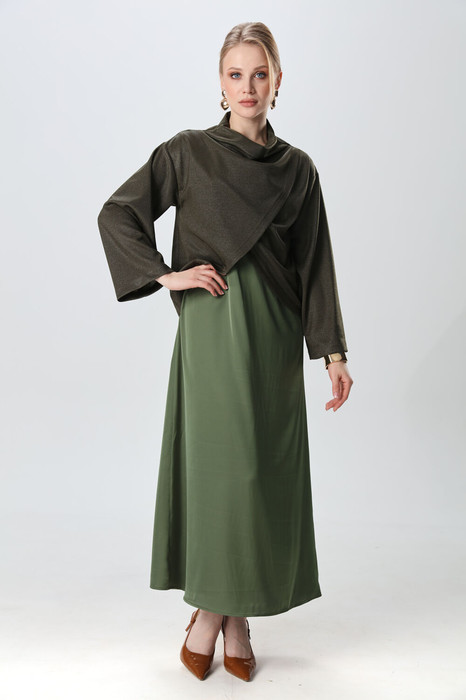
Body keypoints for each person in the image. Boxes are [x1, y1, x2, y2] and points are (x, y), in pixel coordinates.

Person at [97, 21, 353, 683]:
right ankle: (218, 616)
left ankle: (228, 617)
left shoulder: (298, 169)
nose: (248, 86)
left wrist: (332, 353)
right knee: (222, 474)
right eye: (236, 74)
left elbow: (315, 262)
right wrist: (166, 275)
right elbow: (117, 212)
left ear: (277, 81)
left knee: (259, 474)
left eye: (259, 74)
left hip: (274, 336)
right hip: (213, 331)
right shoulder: (188, 152)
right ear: (220, 82)